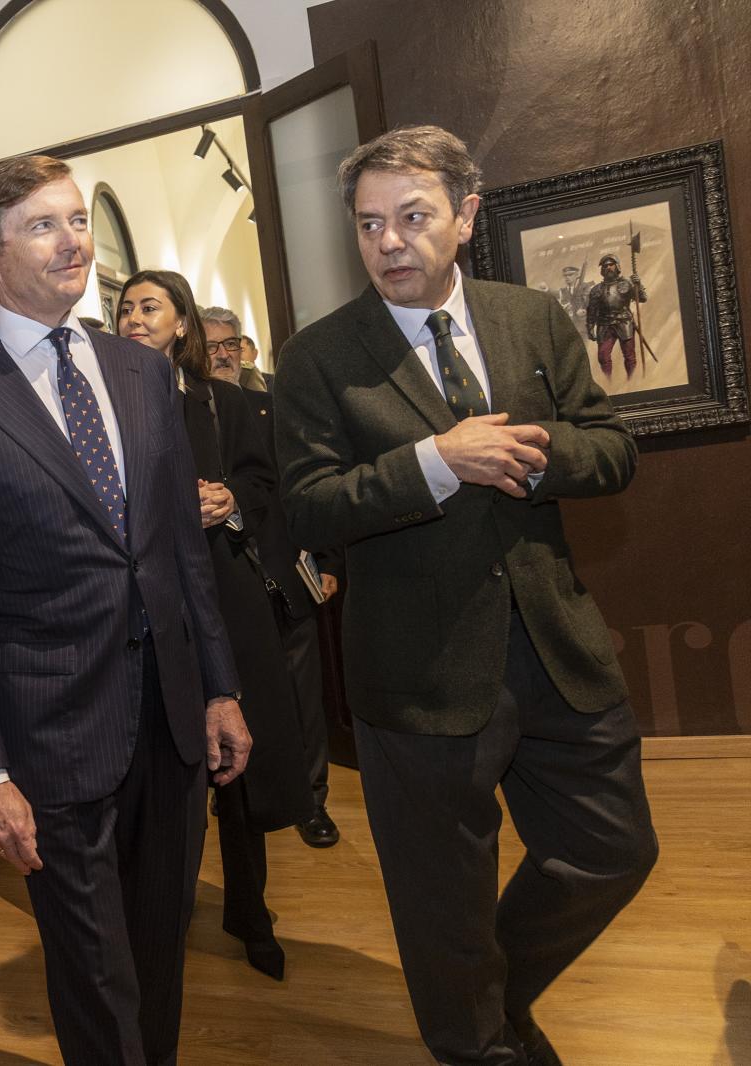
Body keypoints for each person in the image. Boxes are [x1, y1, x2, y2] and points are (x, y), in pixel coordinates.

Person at [273, 125, 657, 1065]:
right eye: (370, 225)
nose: (390, 242)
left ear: (466, 216)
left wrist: (528, 454)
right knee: (443, 905)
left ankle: (491, 999)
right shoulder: (319, 357)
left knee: (613, 850)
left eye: (412, 217)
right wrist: (433, 464)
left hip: (557, 648)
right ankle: (479, 1044)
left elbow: (611, 448)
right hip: (418, 672)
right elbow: (308, 510)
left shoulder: (531, 319)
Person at [0, 155, 251, 1066]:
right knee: (95, 972)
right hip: (50, 742)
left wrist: (219, 689)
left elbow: (179, 552)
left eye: (76, 220)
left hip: (170, 723)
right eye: (43, 226)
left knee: (160, 948)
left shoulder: (140, 375)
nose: (74, 242)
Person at [117, 269, 314, 980]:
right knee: (171, 767)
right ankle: (163, 910)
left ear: (182, 324)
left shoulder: (226, 403)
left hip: (229, 598)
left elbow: (267, 484)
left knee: (242, 766)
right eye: (124, 308)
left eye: (149, 306)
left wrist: (229, 498)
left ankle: (250, 910)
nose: (134, 318)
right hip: (149, 606)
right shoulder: (105, 407)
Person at [202, 305, 342, 848]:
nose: (221, 353)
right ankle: (236, 789)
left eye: (229, 343)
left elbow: (312, 486)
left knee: (302, 695)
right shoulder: (180, 413)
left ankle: (312, 801)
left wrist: (328, 560)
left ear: (245, 349)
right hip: (221, 587)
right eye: (211, 344)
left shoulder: (274, 410)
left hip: (285, 574)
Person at [585, 253, 648, 378]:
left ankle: (632, 382)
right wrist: (590, 328)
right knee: (603, 356)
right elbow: (591, 310)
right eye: (605, 265)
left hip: (624, 322)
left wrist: (638, 285)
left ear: (617, 266)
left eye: (611, 264)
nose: (608, 267)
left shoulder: (626, 284)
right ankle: (608, 383)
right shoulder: (596, 290)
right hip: (604, 325)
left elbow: (642, 298)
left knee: (629, 356)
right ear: (602, 269)